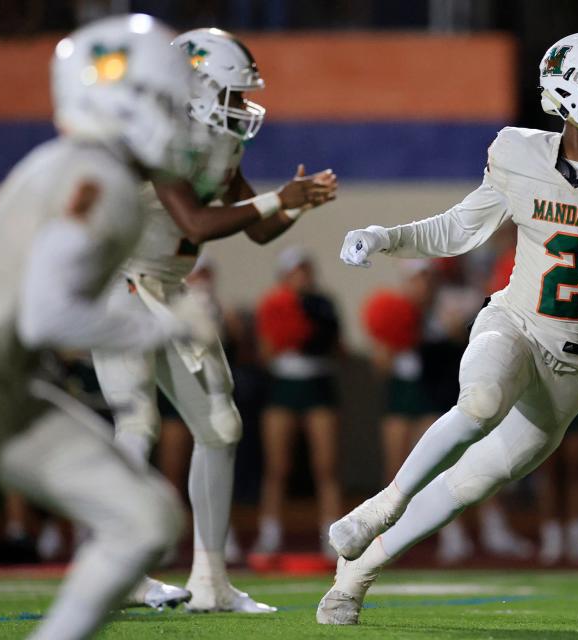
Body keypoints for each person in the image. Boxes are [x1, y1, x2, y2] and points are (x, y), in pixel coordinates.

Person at [318, 32, 578, 624]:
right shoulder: (518, 153)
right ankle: (383, 503)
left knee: (474, 482)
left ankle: (355, 574)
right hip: (513, 323)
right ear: (569, 94)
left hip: (576, 365)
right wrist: (387, 238)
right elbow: (459, 229)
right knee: (480, 401)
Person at [0, 15, 213, 639]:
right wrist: (165, 327)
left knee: (144, 518)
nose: (185, 119)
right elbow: (49, 314)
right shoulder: (94, 177)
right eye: (174, 102)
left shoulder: (94, 172)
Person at [90, 28, 337, 612]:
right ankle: (118, 567)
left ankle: (210, 580)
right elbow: (197, 224)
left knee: (221, 428)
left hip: (169, 290)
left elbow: (254, 227)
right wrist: (281, 197)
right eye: (229, 93)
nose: (239, 106)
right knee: (138, 422)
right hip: (120, 282)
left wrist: (295, 203)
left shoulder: (223, 146)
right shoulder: (154, 137)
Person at [254, 247, 343, 557]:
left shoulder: (324, 304)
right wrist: (285, 334)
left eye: (306, 271)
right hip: (283, 386)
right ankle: (270, 533)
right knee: (277, 466)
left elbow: (336, 348)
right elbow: (264, 354)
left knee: (326, 465)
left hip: (317, 384)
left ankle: (332, 534)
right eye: (296, 272)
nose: (302, 277)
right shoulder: (273, 304)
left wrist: (313, 332)